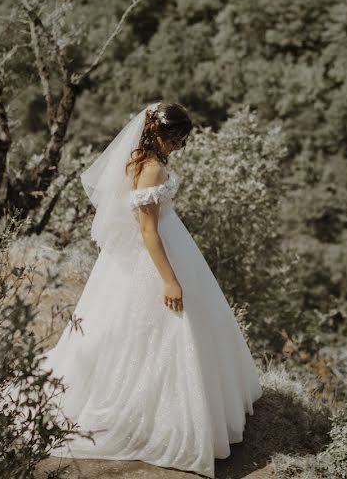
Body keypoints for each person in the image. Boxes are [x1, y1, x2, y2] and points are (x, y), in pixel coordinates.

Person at [41, 101, 263, 477]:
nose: (180, 147)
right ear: (160, 133)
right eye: (177, 139)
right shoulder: (152, 169)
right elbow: (147, 231)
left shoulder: (140, 160)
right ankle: (165, 417)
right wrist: (170, 279)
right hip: (155, 256)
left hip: (166, 245)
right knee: (163, 329)